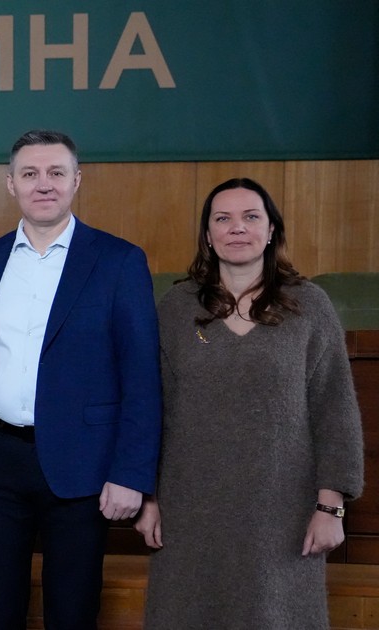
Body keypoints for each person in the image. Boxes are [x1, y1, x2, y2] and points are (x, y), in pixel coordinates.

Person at [0, 129, 162, 629]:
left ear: (76, 181)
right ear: (11, 184)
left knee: (72, 611)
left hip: (83, 465)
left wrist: (132, 475)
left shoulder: (119, 261)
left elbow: (141, 378)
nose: (44, 184)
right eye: (30, 173)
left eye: (56, 173)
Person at [135, 178, 365, 629]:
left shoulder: (309, 306)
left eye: (250, 217)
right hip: (190, 509)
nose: (236, 228)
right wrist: (148, 498)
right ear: (207, 234)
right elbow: (152, 409)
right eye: (223, 218)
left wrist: (330, 507)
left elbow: (336, 411)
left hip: (284, 513)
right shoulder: (177, 307)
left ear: (271, 229)